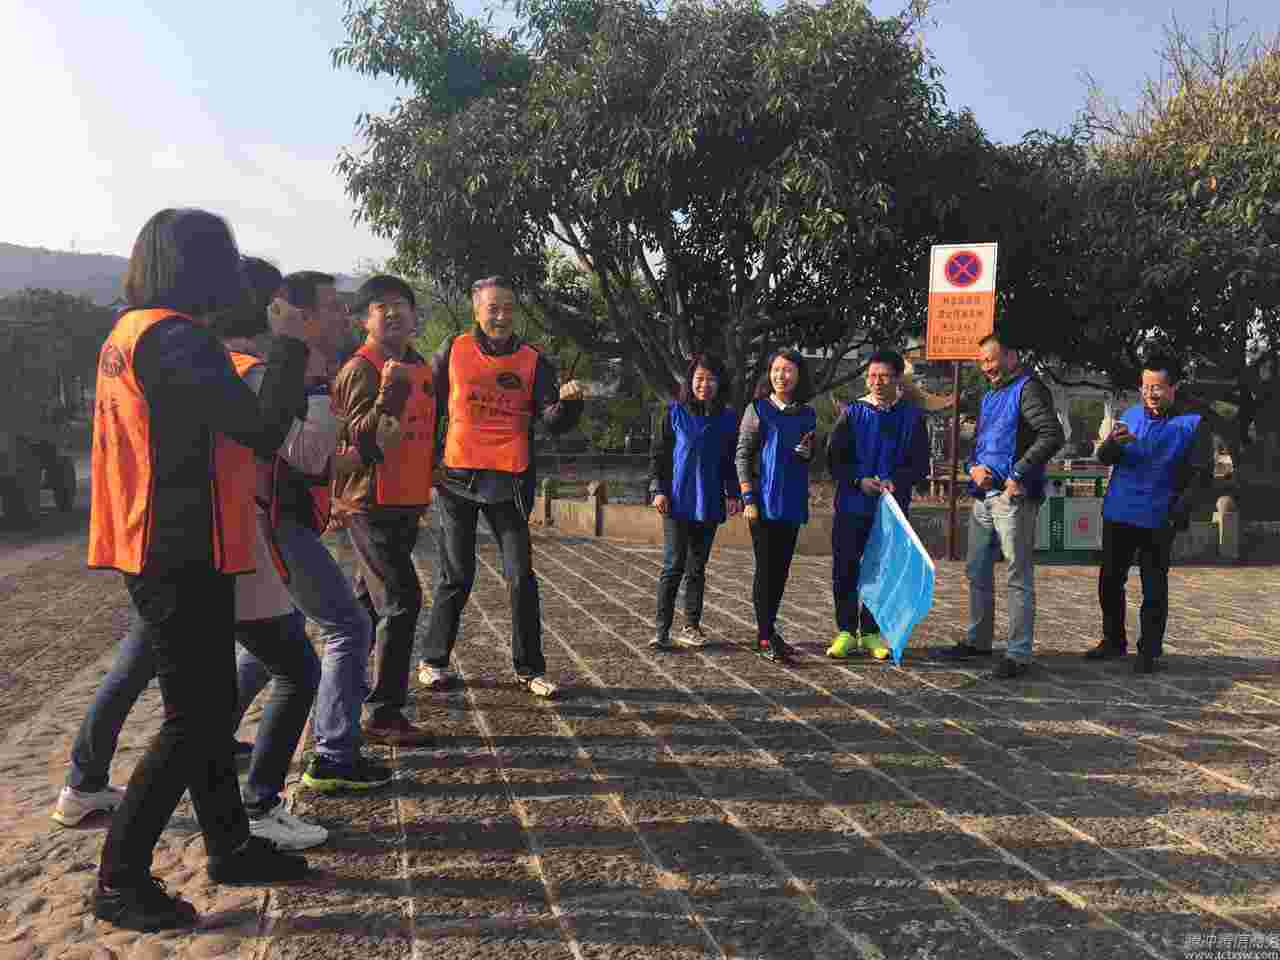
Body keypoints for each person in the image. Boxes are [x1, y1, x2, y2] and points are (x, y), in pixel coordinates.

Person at [85, 209, 310, 932]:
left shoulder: (133, 332)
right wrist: (290, 345)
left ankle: (231, 846)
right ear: (198, 265)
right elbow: (262, 428)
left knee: (206, 713)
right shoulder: (178, 339)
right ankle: (120, 881)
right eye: (227, 255)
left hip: (161, 544)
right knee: (195, 718)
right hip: (177, 550)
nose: (237, 269)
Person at [419, 276, 584, 696]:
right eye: (493, 307)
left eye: (508, 307)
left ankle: (530, 669)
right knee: (457, 575)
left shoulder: (533, 360)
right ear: (476, 310)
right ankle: (433, 660)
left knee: (520, 576)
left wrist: (570, 405)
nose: (501, 316)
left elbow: (551, 421)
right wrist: (427, 462)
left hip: (509, 480)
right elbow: (428, 407)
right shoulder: (453, 350)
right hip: (456, 479)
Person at [328, 274, 435, 754]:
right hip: (369, 502)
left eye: (401, 304)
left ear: (414, 315)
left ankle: (345, 692)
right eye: (380, 306)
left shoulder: (420, 365)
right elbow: (358, 438)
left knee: (367, 606)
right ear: (362, 320)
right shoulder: (362, 368)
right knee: (401, 599)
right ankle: (384, 713)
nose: (393, 313)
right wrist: (389, 391)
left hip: (406, 500)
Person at [934, 333, 1064, 678]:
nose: (986, 367)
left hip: (1013, 497)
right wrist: (971, 468)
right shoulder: (989, 395)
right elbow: (979, 444)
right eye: (982, 362)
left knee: (1017, 575)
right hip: (983, 496)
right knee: (976, 569)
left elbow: (1052, 434)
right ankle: (978, 640)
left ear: (1011, 357)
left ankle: (1018, 653)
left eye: (991, 360)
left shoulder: (1029, 389)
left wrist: (1018, 473)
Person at [1088, 352, 1213, 673]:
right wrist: (1114, 443)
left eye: (1156, 387)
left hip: (1158, 515)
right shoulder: (1130, 415)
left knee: (1154, 587)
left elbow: (1202, 475)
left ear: (1174, 387)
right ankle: (1113, 640)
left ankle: (1149, 651)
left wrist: (1178, 511)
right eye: (1145, 387)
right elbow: (1105, 458)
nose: (1149, 394)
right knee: (1109, 581)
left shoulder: (1192, 424)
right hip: (1119, 511)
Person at [825, 349, 929, 660]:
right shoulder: (853, 413)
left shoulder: (911, 417)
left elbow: (920, 464)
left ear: (897, 379)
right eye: (872, 376)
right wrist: (858, 480)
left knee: (883, 571)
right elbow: (834, 459)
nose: (877, 382)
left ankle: (871, 632)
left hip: (891, 510)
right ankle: (846, 631)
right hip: (852, 505)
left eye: (884, 376)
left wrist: (898, 481)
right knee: (845, 567)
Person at [647, 354, 742, 650]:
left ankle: (691, 625)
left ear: (720, 383)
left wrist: (733, 494)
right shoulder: (673, 413)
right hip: (677, 500)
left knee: (697, 567)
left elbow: (730, 461)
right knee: (673, 564)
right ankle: (661, 629)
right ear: (690, 381)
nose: (704, 384)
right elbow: (659, 456)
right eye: (699, 379)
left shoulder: (728, 419)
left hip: (709, 501)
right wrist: (658, 490)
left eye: (711, 379)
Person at [735, 349, 818, 663]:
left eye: (788, 370)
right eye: (776, 369)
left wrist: (808, 454)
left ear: (798, 376)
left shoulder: (807, 413)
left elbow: (812, 457)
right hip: (762, 502)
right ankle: (764, 636)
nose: (781, 376)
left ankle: (769, 630)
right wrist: (748, 498)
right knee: (766, 569)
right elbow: (742, 456)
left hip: (792, 501)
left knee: (781, 571)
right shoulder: (757, 409)